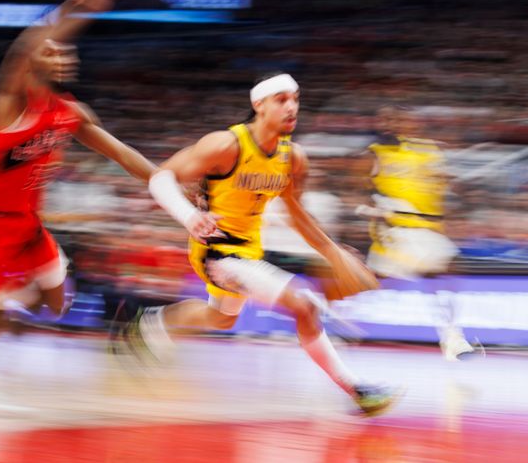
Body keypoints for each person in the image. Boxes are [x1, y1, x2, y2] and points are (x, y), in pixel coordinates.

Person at [119, 71, 399, 416]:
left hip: (248, 250)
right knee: (305, 305)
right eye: (282, 100)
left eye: (296, 99)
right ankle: (356, 389)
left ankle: (150, 322)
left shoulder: (292, 157)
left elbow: (297, 214)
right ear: (259, 105)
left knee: (220, 319)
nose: (292, 107)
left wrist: (334, 252)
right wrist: (190, 217)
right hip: (216, 251)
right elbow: (161, 178)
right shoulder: (226, 145)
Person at [0, 0, 156, 320]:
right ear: (34, 62)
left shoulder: (71, 113)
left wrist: (170, 184)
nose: (61, 56)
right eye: (51, 51)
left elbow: (121, 153)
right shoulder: (10, 105)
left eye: (66, 53)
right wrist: (75, 8)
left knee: (56, 304)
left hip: (27, 221)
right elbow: (22, 50)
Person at [358, 105, 471, 361]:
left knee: (443, 273)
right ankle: (452, 337)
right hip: (395, 226)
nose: (391, 124)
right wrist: (365, 207)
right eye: (386, 119)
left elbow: (442, 182)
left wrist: (455, 194)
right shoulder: (375, 153)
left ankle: (452, 337)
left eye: (398, 119)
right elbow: (357, 185)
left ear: (412, 123)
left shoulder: (428, 150)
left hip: (426, 227)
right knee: (385, 278)